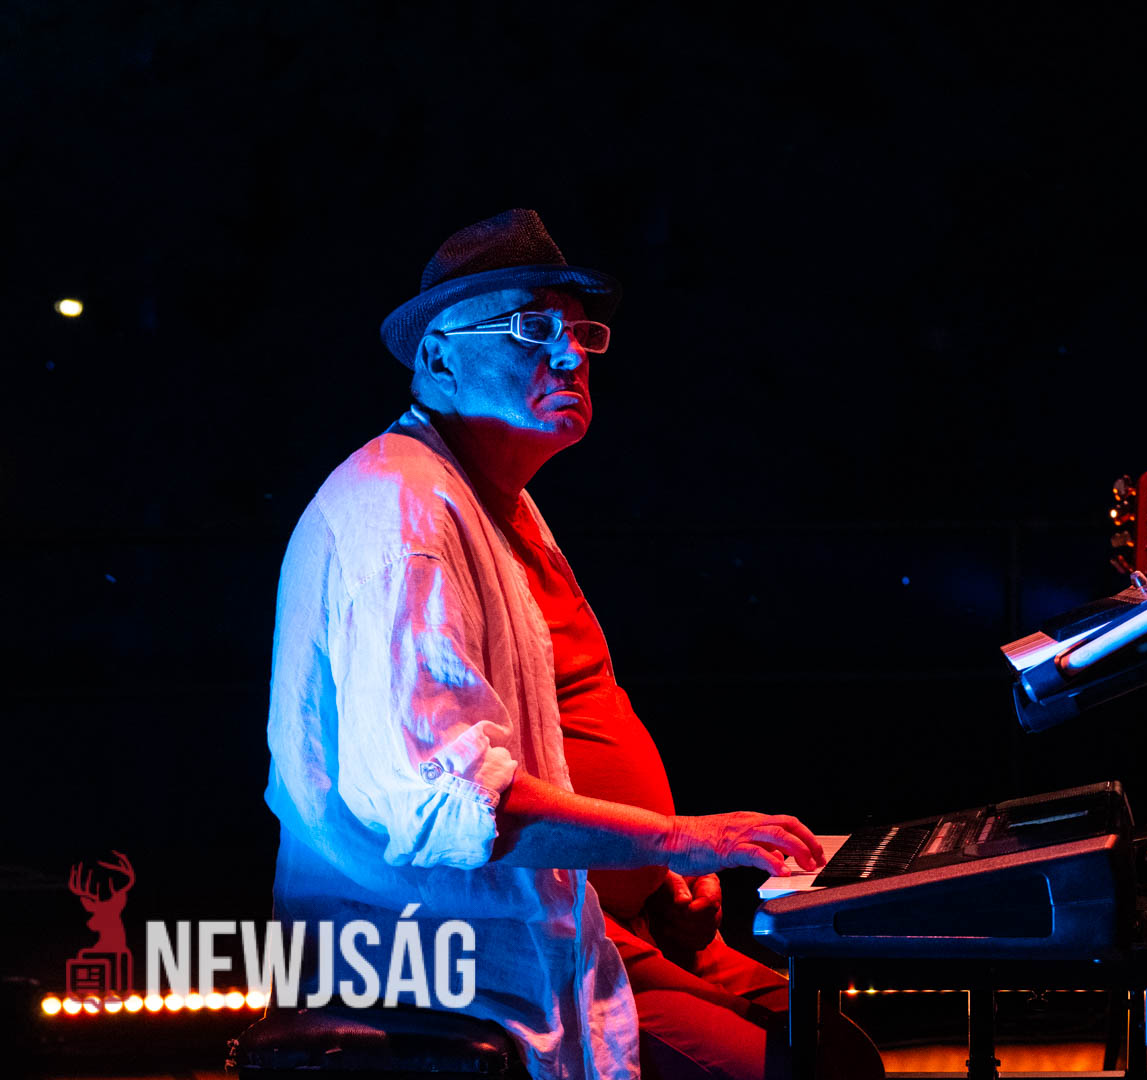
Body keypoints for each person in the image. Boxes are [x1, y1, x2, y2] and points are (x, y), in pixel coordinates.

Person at [265, 209, 883, 1080]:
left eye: (583, 333)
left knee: (839, 1046)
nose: (572, 356)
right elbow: (447, 805)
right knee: (803, 1070)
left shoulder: (500, 499)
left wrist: (653, 877)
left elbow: (564, 728)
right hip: (474, 954)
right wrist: (676, 839)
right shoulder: (400, 514)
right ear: (437, 357)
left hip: (614, 919)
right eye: (532, 329)